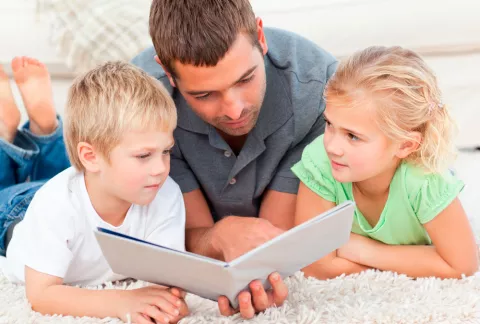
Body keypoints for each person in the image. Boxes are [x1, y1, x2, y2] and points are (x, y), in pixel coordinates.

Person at [131, 0, 336, 317]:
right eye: (204, 95)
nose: (234, 109)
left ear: (260, 37)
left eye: (245, 79)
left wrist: (252, 270)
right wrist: (218, 237)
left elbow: (270, 241)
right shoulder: (144, 101)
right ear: (167, 72)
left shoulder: (317, 90)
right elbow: (179, 237)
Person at [1, 58, 189, 324]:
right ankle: (7, 130)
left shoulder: (164, 194)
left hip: (85, 181)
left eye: (166, 151)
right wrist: (120, 301)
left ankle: (44, 132)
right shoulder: (55, 205)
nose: (160, 168)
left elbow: (166, 281)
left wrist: (167, 303)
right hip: (16, 213)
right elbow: (41, 295)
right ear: (90, 157)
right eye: (144, 155)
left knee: (60, 175)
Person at [292, 46, 479, 279]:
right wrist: (413, 263)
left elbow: (462, 265)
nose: (331, 146)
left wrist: (365, 251)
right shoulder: (319, 161)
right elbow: (314, 264)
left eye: (352, 136)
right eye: (330, 124)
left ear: (405, 145)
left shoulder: (425, 181)